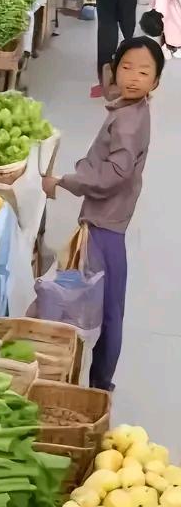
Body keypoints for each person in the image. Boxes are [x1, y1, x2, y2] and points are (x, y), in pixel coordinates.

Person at [42, 37, 163, 392]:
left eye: (144, 72)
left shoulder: (128, 121)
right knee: (103, 300)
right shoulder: (129, 110)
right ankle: (95, 377)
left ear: (155, 82)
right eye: (126, 67)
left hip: (105, 222)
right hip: (108, 217)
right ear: (112, 71)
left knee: (105, 307)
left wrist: (66, 180)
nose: (133, 77)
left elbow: (116, 174)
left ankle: (99, 385)